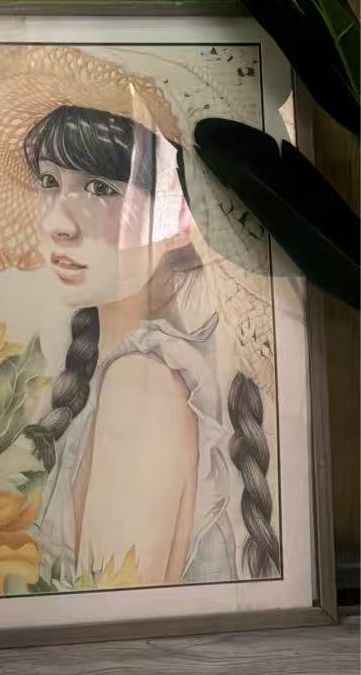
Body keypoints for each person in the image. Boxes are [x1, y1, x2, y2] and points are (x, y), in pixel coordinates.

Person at [22, 103, 281, 588]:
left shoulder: (141, 383)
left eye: (100, 188)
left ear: (179, 216)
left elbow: (113, 607)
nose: (58, 221)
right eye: (49, 180)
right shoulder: (117, 373)